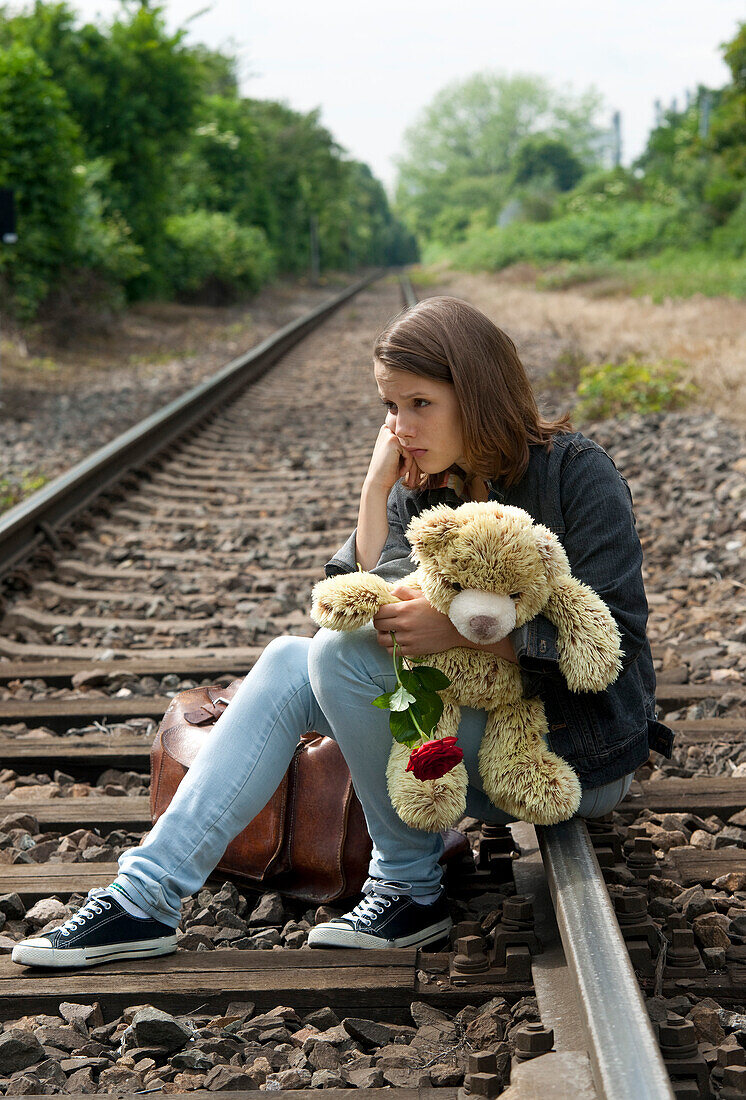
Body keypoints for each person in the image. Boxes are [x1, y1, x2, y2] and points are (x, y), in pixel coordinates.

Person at [12, 294, 674, 968]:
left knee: (333, 655)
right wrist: (371, 491)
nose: (400, 425)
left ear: (476, 394)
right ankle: (141, 898)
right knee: (284, 661)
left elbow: (613, 642)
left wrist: (467, 636)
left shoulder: (575, 474)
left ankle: (409, 884)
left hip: (569, 752)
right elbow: (353, 606)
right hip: (461, 734)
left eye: (420, 404)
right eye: (391, 407)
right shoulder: (423, 483)